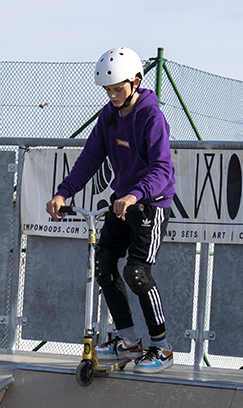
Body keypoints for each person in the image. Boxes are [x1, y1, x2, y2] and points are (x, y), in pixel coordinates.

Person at [45, 46, 176, 374]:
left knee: (136, 271)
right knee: (103, 263)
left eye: (118, 89)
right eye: (107, 90)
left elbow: (162, 169)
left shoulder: (151, 117)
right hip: (122, 203)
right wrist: (63, 193)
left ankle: (162, 347)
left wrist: (134, 195)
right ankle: (129, 341)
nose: (113, 96)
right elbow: (90, 158)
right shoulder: (109, 116)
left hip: (150, 204)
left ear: (136, 81)